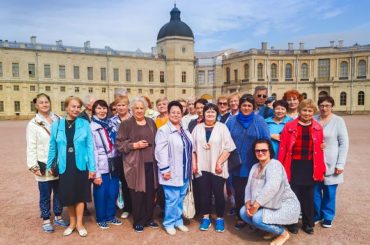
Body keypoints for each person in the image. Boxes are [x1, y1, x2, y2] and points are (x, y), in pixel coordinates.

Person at [47, 96, 96, 237]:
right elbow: (52, 146)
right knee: (68, 195)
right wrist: (50, 163)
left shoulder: (84, 123)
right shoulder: (57, 124)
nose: (76, 109)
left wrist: (92, 168)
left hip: (80, 163)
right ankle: (72, 222)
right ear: (66, 107)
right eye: (73, 106)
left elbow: (89, 147)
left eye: (78, 107)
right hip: (64, 163)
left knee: (80, 194)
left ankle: (80, 224)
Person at [278, 99, 326, 234]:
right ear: (300, 111)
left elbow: (320, 152)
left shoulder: (317, 127)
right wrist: (281, 167)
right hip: (293, 164)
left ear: (313, 112)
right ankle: (292, 223)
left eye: (310, 111)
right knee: (293, 195)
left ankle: (308, 223)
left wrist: (321, 169)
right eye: (304, 110)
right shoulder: (289, 126)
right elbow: (283, 148)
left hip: (310, 165)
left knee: (308, 197)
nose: (306, 113)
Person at [240, 139, 300, 245]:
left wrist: (255, 206)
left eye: (264, 150)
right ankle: (271, 229)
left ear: (270, 151)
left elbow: (271, 188)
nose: (260, 153)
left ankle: (283, 233)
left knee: (257, 219)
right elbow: (248, 187)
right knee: (243, 212)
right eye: (257, 150)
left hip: (283, 204)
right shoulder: (255, 167)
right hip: (267, 204)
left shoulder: (274, 165)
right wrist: (248, 201)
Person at [226, 94, 270, 230]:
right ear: (239, 106)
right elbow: (225, 141)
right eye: (244, 105)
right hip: (237, 165)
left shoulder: (260, 121)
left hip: (254, 163)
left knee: (255, 192)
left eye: (249, 106)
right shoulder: (231, 121)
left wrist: (265, 162)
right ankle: (241, 217)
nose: (246, 108)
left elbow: (266, 140)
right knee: (239, 192)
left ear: (253, 107)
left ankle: (254, 218)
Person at [116, 96, 159, 233]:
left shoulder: (151, 122)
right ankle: (138, 220)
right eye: (137, 108)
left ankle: (149, 218)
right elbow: (119, 145)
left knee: (150, 192)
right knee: (137, 193)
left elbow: (157, 140)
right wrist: (135, 145)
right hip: (135, 164)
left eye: (142, 108)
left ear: (145, 109)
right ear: (132, 109)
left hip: (151, 163)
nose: (139, 111)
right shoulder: (126, 124)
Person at [26, 93, 68, 233]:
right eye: (41, 102)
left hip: (59, 162)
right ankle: (45, 219)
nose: (45, 104)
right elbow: (31, 146)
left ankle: (58, 215)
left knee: (59, 192)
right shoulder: (33, 124)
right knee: (45, 193)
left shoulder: (59, 119)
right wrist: (33, 166)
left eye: (46, 102)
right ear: (36, 105)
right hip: (43, 163)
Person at [192, 103, 236, 232]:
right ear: (203, 114)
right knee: (204, 193)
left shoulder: (222, 128)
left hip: (218, 167)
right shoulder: (197, 128)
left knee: (218, 194)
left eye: (213, 112)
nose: (210, 114)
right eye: (208, 111)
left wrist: (219, 163)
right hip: (202, 166)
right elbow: (193, 149)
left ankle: (219, 218)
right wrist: (194, 164)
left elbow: (229, 148)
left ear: (216, 114)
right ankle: (205, 217)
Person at [155, 101, 193, 235]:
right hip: (171, 171)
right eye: (173, 112)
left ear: (182, 114)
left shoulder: (184, 129)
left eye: (178, 112)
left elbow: (189, 148)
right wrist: (165, 170)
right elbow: (160, 152)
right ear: (168, 114)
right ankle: (169, 223)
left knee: (180, 198)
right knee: (172, 199)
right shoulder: (164, 130)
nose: (176, 115)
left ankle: (178, 221)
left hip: (185, 171)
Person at [313, 96, 349, 228]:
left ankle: (328, 216)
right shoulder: (313, 119)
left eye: (327, 105)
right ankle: (317, 214)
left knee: (329, 191)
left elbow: (344, 143)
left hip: (332, 161)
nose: (324, 108)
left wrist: (340, 164)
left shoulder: (338, 121)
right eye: (322, 105)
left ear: (332, 106)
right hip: (315, 161)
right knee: (315, 191)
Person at [90, 100, 122, 229]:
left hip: (114, 161)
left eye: (104, 108)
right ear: (94, 111)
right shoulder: (91, 127)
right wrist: (96, 173)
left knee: (113, 191)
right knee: (101, 192)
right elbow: (92, 151)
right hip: (101, 162)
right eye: (99, 109)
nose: (102, 111)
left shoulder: (111, 124)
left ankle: (111, 215)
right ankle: (101, 218)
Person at [109, 96, 132, 219]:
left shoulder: (134, 118)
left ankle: (137, 206)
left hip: (134, 154)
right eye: (119, 105)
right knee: (124, 181)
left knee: (135, 181)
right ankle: (127, 207)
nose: (121, 107)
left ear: (127, 106)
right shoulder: (111, 121)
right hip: (118, 155)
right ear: (115, 107)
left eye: (123, 105)